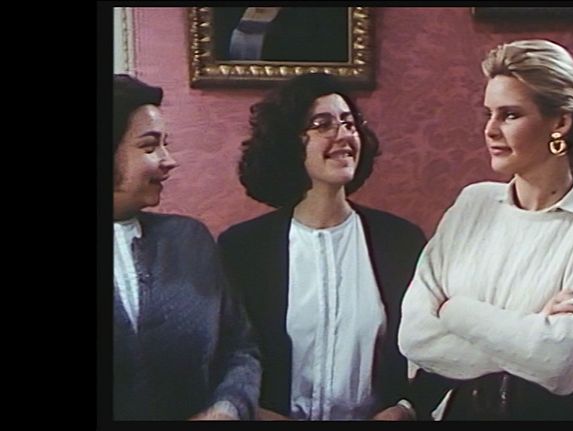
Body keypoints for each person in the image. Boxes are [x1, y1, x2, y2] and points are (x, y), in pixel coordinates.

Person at [398, 40, 573, 420]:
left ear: (560, 122)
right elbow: (415, 337)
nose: (490, 130)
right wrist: (533, 326)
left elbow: (561, 362)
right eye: (488, 114)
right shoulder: (473, 203)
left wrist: (454, 311)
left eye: (510, 115)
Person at [218, 73, 444, 420]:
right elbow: (224, 355)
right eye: (322, 124)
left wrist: (405, 409)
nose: (343, 135)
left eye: (349, 123)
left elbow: (439, 345)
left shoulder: (401, 241)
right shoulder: (243, 249)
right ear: (288, 142)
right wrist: (254, 412)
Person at [112, 74, 262, 420]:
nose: (169, 160)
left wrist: (227, 408)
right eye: (149, 147)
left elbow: (240, 349)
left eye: (165, 144)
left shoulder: (190, 240)